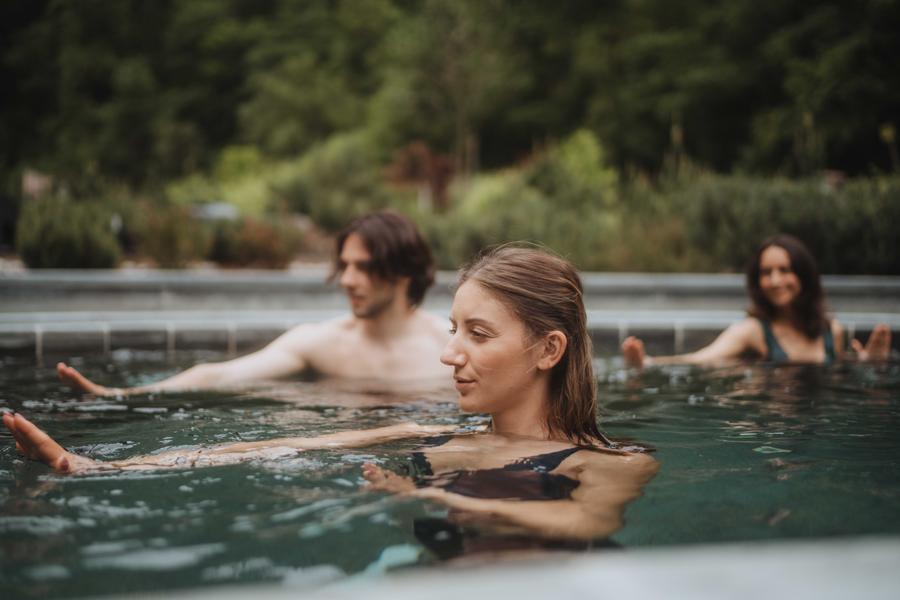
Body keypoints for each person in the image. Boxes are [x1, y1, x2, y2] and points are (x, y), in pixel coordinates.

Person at [6, 245, 657, 542]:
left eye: (477, 334)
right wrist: (99, 467)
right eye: (453, 328)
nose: (448, 351)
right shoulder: (425, 437)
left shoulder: (607, 463)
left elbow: (585, 522)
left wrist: (423, 494)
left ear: (548, 349)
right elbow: (275, 446)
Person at [56, 210, 451, 395]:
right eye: (344, 266)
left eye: (364, 268)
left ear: (403, 272)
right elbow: (218, 375)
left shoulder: (448, 346)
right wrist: (117, 395)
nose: (347, 280)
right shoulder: (322, 343)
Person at [622, 234, 892, 367]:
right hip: (772, 427)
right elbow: (700, 359)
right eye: (766, 273)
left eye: (785, 270)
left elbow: (840, 374)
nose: (775, 281)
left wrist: (870, 365)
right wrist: (648, 363)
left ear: (803, 274)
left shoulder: (832, 331)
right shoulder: (752, 330)